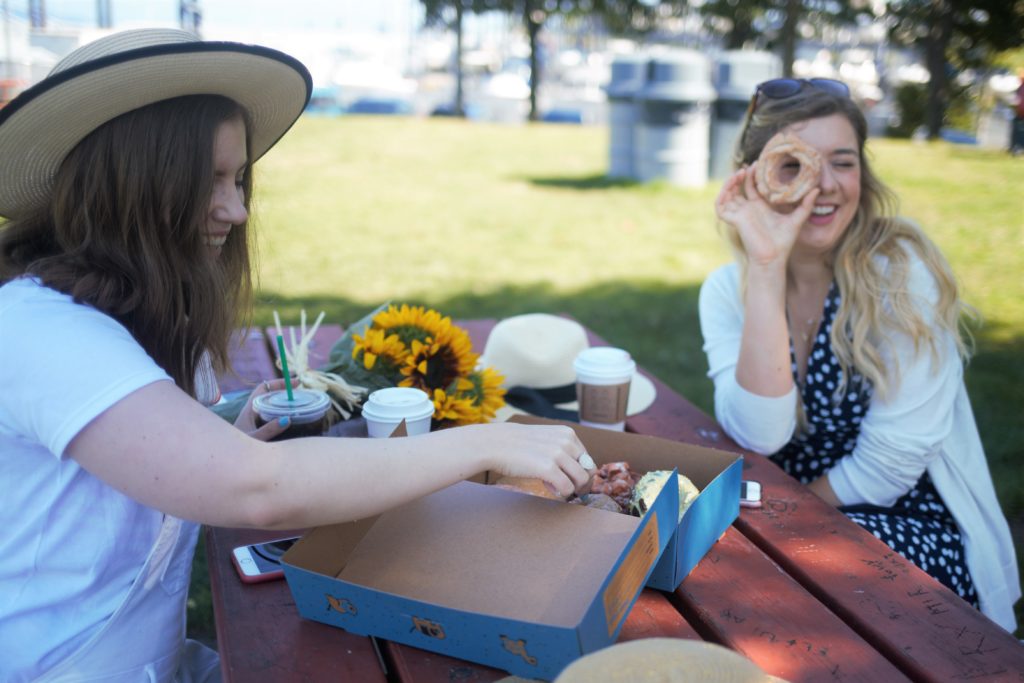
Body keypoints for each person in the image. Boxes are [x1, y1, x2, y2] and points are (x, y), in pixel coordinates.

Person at [0, 29, 593, 682]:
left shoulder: (135, 319)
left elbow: (142, 475)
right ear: (132, 184)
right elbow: (258, 489)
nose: (238, 207)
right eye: (212, 180)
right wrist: (480, 444)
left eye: (240, 177)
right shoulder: (39, 329)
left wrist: (219, 433)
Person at [698, 77, 1020, 633]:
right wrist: (768, 266)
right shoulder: (730, 290)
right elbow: (760, 434)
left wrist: (786, 519)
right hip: (785, 510)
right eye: (795, 165)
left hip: (900, 520)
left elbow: (892, 462)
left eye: (842, 163)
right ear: (754, 178)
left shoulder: (899, 275)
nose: (823, 186)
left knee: (772, 605)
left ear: (863, 175)